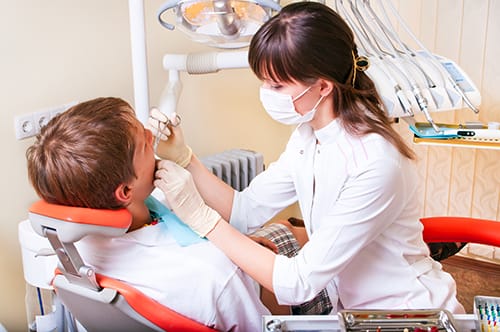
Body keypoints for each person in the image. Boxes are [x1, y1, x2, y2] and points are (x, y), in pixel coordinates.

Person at [151, 2, 465, 315]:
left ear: (323, 86)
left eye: (276, 85)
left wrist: (204, 222)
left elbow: (298, 283)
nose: (266, 93)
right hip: (355, 311)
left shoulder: (376, 162)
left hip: (411, 312)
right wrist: (186, 158)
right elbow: (245, 211)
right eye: (263, 82)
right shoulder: (308, 136)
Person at [26, 96, 305, 331]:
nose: (152, 135)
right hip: (276, 299)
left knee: (286, 230)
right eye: (145, 143)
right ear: (125, 192)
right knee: (300, 235)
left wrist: (185, 159)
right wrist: (239, 264)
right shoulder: (217, 277)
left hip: (215, 270)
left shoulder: (76, 253)